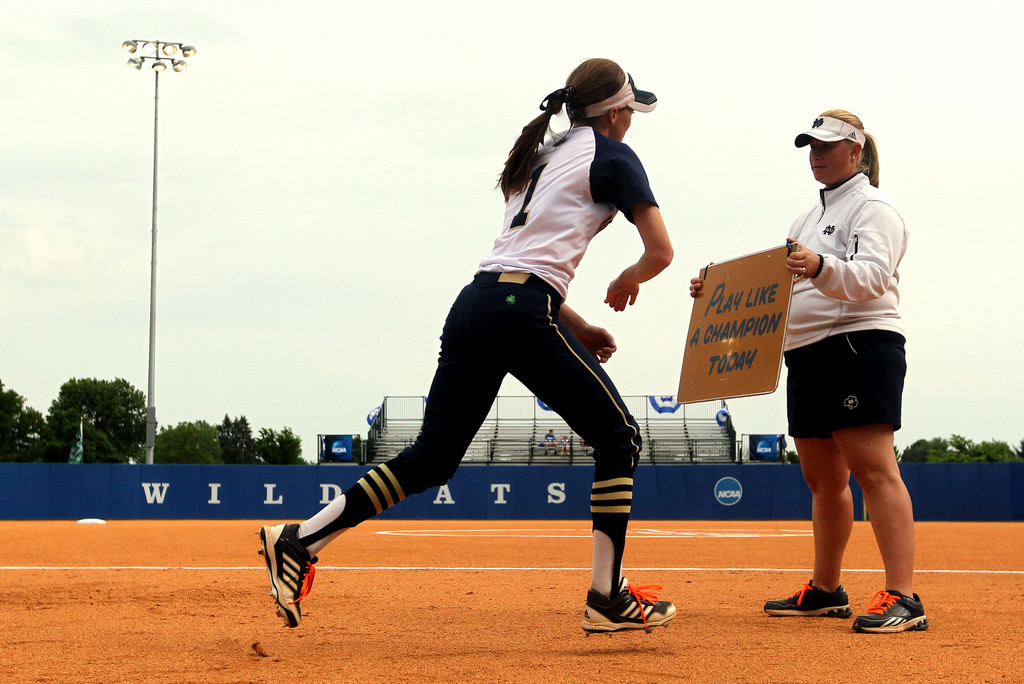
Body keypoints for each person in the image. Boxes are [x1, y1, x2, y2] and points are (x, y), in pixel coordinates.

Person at [260, 58, 676, 634]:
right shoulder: (613, 156)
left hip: (477, 304)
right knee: (618, 437)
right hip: (519, 309)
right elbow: (660, 252)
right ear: (614, 113)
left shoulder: (543, 155)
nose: (632, 122)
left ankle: (299, 538)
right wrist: (632, 275)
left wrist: (575, 325)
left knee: (432, 457)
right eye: (631, 111)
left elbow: (521, 258)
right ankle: (606, 597)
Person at [690, 110, 926, 634]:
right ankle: (825, 589)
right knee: (822, 478)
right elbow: (776, 289)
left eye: (827, 145)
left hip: (858, 345)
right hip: (809, 353)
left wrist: (819, 266)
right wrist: (715, 295)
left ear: (856, 151)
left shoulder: (874, 208)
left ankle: (905, 597)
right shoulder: (804, 220)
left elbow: (870, 279)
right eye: (811, 146)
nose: (816, 154)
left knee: (874, 469)